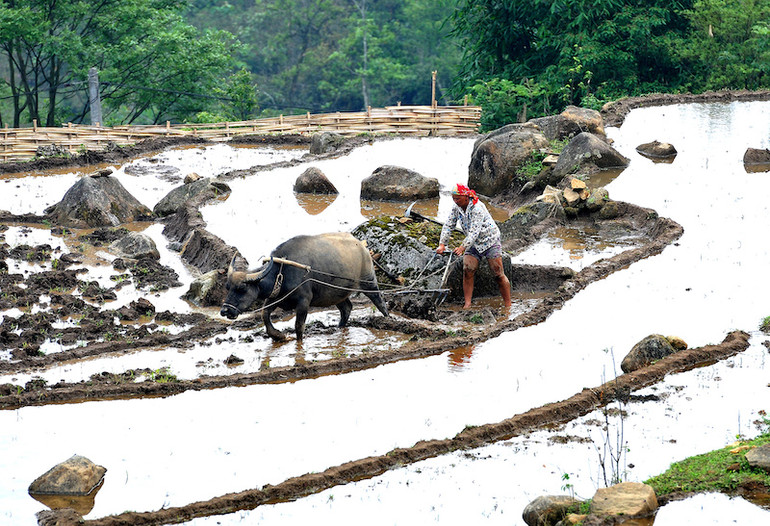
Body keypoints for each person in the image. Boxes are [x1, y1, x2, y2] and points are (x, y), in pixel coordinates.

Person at [436, 183, 512, 310]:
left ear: (466, 197)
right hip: (473, 244)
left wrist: (462, 247)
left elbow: (474, 232)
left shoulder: (477, 208)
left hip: (489, 241)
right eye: (453, 199)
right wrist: (442, 244)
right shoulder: (457, 207)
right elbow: (449, 224)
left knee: (498, 273)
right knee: (468, 270)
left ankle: (508, 304)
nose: (455, 201)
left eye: (458, 198)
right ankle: (467, 304)